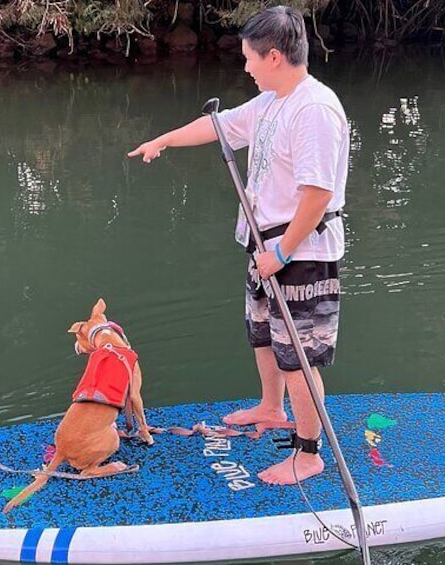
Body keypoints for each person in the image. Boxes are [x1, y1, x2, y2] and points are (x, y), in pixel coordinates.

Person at [128, 5, 349, 485]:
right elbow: (219, 127)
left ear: (273, 57)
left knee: (300, 359)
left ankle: (308, 454)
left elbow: (318, 195)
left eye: (249, 58)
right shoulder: (271, 101)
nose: (244, 67)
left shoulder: (314, 110)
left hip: (300, 254)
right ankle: (272, 408)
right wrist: (162, 140)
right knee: (264, 336)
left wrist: (283, 253)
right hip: (264, 248)